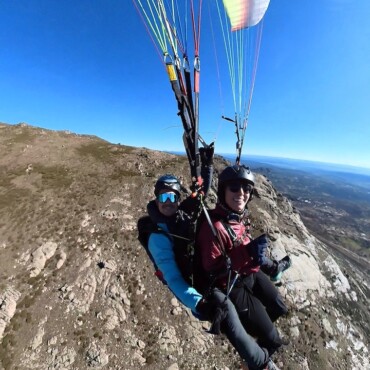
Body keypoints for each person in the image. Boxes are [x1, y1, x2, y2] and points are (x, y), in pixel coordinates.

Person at [143, 171, 278, 370]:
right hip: (195, 287)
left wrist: (206, 166)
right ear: (156, 198)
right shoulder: (158, 237)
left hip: (204, 272)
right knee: (227, 312)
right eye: (163, 196)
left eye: (173, 196)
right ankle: (261, 364)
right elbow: (173, 278)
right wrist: (200, 304)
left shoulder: (181, 214)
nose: (169, 201)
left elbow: (199, 194)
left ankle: (259, 346)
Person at [197, 164, 291, 360]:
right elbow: (212, 271)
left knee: (280, 307)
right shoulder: (214, 228)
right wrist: (246, 253)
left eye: (247, 189)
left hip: (249, 273)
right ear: (223, 191)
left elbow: (242, 243)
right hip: (232, 284)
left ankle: (258, 328)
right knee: (273, 341)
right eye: (234, 188)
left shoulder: (238, 218)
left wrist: (257, 255)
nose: (241, 193)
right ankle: (257, 354)